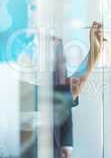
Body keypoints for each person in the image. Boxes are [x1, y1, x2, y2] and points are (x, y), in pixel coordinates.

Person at [19, 22, 103, 158]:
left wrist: (65, 143)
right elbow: (63, 95)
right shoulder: (12, 89)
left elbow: (61, 92)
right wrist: (94, 52)